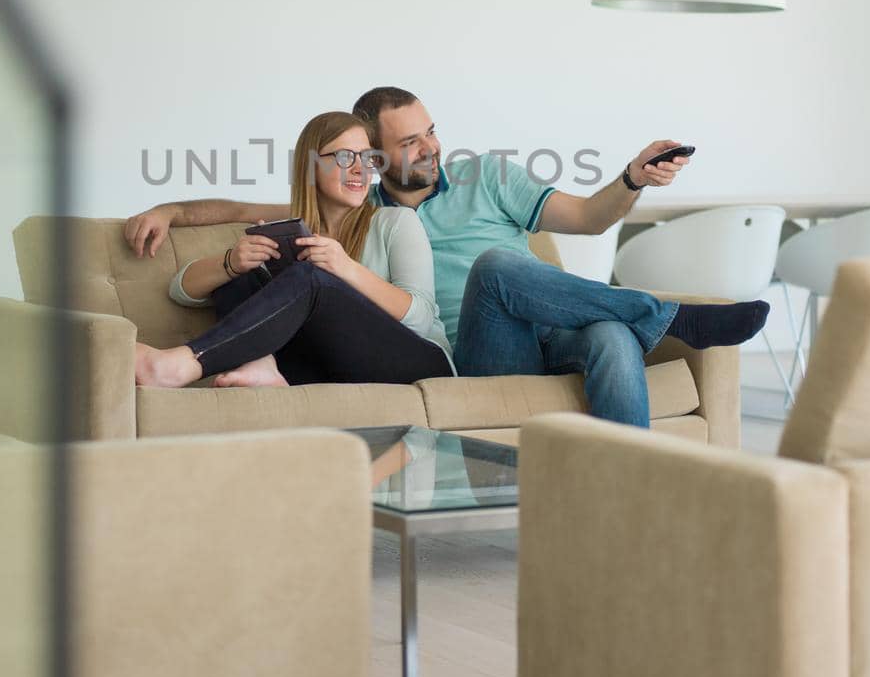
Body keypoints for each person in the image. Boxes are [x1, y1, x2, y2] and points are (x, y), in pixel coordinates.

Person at [127, 88, 769, 428]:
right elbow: (259, 210)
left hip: (559, 323)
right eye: (411, 140)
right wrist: (175, 213)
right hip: (484, 352)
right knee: (494, 267)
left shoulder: (488, 177)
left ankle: (631, 497)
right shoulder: (363, 210)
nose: (431, 146)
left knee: (608, 334)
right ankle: (665, 314)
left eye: (431, 130)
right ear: (377, 156)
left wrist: (630, 178)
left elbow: (587, 218)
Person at [133, 109, 454, 391]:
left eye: (368, 158)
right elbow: (180, 289)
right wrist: (231, 261)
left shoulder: (396, 221)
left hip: (420, 365)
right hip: (334, 368)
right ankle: (261, 363)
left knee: (311, 278)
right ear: (311, 166)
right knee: (243, 277)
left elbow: (421, 320)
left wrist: (345, 268)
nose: (360, 169)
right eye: (345, 157)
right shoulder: (293, 231)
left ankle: (183, 364)